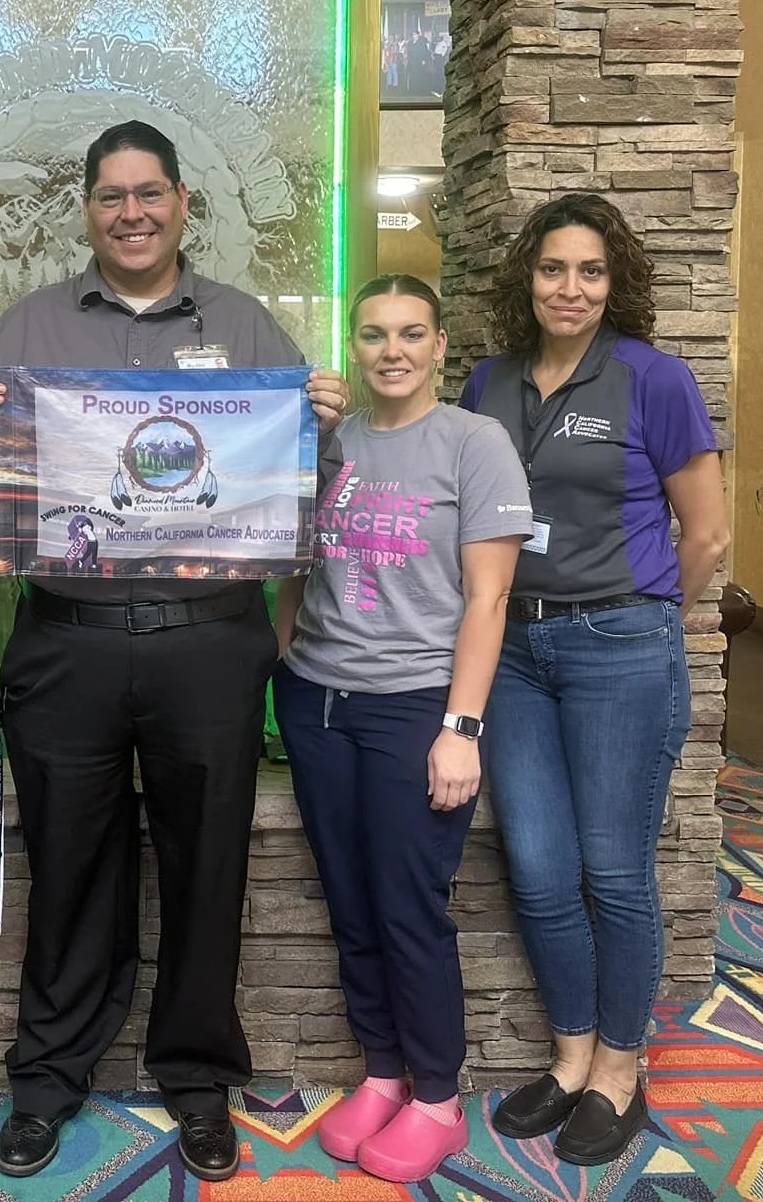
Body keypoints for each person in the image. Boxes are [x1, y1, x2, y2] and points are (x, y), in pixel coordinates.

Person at [0, 120, 347, 1182]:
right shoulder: (25, 327)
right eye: (111, 196)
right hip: (66, 642)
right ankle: (48, 1076)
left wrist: (319, 421)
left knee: (207, 866)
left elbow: (298, 478)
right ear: (87, 209)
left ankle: (196, 1078)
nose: (131, 213)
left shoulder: (248, 327)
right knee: (68, 867)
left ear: (181, 202)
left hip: (207, 644)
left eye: (149, 193)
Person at [458, 192, 728, 1167]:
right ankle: (571, 1058)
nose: (568, 288)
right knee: (537, 867)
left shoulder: (653, 379)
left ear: (615, 283)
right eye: (551, 269)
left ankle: (619, 1068)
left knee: (613, 871)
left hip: (619, 648)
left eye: (589, 271)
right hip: (513, 656)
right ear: (525, 278)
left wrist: (647, 615)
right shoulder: (486, 383)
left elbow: (705, 534)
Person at [269, 274, 530, 1185]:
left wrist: (461, 727)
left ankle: (438, 1099)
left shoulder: (474, 443)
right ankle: (382, 1072)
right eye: (375, 334)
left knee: (407, 906)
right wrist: (285, 659)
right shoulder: (332, 442)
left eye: (411, 333)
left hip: (414, 706)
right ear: (354, 344)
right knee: (349, 900)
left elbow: (490, 599)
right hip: (317, 701)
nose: (392, 351)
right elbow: (296, 563)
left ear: (440, 344)